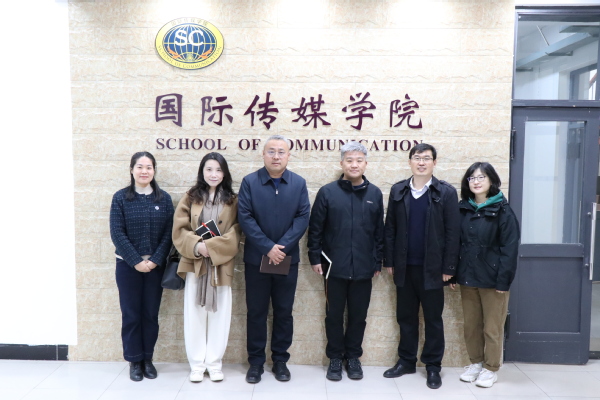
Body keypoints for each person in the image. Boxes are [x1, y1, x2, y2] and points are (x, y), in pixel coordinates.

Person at [382, 143, 460, 389]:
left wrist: (449, 267)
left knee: (433, 319)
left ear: (434, 163)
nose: (422, 162)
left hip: (434, 269)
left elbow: (453, 233)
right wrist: (390, 261)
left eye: (427, 158)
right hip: (404, 267)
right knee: (406, 317)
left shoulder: (446, 192)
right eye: (417, 158)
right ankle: (406, 361)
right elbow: (390, 228)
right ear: (410, 162)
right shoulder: (398, 190)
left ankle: (433, 366)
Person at [307, 142, 384, 381]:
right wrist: (315, 257)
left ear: (365, 164)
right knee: (333, 315)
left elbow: (379, 232)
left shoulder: (374, 194)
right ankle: (334, 358)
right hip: (333, 267)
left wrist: (378, 261)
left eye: (359, 160)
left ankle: (353, 358)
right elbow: (315, 229)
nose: (354, 164)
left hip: (364, 267)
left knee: (358, 316)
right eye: (349, 160)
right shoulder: (327, 192)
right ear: (341, 163)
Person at [238, 135, 310, 383]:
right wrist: (268, 247)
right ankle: (256, 363)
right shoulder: (250, 182)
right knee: (256, 312)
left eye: (281, 152)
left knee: (283, 312)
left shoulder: (298, 183)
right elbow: (245, 217)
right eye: (271, 151)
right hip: (256, 259)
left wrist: (281, 248)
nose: (276, 156)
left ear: (288, 156)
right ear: (263, 154)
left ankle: (280, 361)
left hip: (286, 260)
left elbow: (303, 217)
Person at [172, 152, 241, 383]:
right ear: (202, 171)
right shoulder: (190, 197)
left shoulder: (233, 200)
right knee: (195, 315)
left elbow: (237, 231)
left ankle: (214, 364)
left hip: (221, 265)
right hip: (195, 264)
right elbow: (179, 229)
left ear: (225, 173)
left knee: (220, 315)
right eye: (209, 169)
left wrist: (212, 247)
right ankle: (197, 365)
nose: (214, 174)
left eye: (219, 170)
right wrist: (197, 246)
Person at [109, 151, 174, 382]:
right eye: (140, 167)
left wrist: (155, 260)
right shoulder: (120, 198)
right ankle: (134, 360)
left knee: (150, 314)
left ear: (154, 170)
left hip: (155, 267)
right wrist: (136, 261)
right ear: (131, 170)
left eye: (149, 167)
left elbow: (169, 233)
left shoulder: (163, 199)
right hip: (127, 267)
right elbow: (117, 233)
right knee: (131, 315)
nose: (144, 171)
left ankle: (147, 359)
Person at [456, 162, 519, 388]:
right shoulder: (463, 208)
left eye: (481, 177)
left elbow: (510, 249)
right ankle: (475, 363)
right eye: (472, 178)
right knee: (471, 326)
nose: (476, 181)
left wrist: (503, 281)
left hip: (493, 281)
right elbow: (455, 243)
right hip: (468, 277)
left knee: (492, 327)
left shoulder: (503, 211)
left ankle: (491, 368)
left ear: (491, 180)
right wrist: (453, 274)